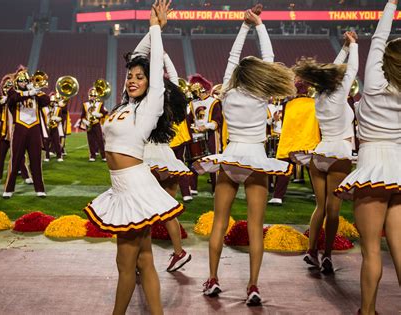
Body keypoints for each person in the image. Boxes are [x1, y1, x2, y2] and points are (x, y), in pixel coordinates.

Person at [83, 2, 182, 314]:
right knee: (144, 260)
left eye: (139, 77)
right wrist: (148, 29)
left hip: (136, 190)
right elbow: (138, 58)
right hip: (121, 189)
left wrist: (157, 29)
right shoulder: (124, 105)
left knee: (125, 266)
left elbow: (152, 70)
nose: (132, 80)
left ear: (149, 82)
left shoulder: (150, 106)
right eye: (129, 77)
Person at [193, 8, 296, 305]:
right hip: (255, 161)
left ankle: (212, 279)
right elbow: (270, 57)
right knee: (255, 227)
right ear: (259, 75)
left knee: (219, 224)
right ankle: (252, 286)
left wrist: (243, 27)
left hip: (231, 158)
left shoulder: (227, 91)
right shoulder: (261, 95)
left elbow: (230, 57)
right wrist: (259, 25)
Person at [335, 1, 400, 314]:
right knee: (400, 248)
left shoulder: (373, 83)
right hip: (399, 169)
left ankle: (368, 310)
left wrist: (390, 4)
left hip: (372, 167)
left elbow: (378, 39)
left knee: (372, 250)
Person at [293, 31, 359, 273]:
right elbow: (351, 70)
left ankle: (312, 251)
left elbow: (332, 70)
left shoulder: (318, 96)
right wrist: (354, 46)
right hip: (338, 153)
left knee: (319, 207)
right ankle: (328, 255)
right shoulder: (340, 95)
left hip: (319, 155)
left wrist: (342, 48)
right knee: (333, 211)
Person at [132, 30, 192, 272]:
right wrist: (165, 57)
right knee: (167, 208)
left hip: (147, 155)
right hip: (167, 156)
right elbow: (176, 80)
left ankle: (139, 261)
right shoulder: (170, 97)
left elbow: (136, 56)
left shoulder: (147, 100)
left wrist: (154, 31)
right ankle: (179, 252)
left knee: (141, 211)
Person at [3, 67, 49, 198]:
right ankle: (9, 189)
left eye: (26, 81)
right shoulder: (13, 92)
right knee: (16, 159)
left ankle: (39, 189)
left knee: (36, 159)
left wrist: (37, 91)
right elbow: (12, 99)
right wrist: (29, 93)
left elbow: (46, 101)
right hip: (19, 128)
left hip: (34, 128)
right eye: (21, 81)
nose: (24, 83)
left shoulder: (34, 93)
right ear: (17, 82)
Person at [0, 74, 32, 185]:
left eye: (9, 85)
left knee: (19, 154)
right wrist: (4, 99)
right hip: (4, 130)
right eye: (5, 85)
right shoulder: (0, 98)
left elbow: (15, 99)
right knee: (1, 155)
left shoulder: (15, 96)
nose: (7, 88)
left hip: (15, 129)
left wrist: (9, 97)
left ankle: (26, 176)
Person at [80, 87, 107, 162]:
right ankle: (92, 155)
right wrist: (86, 122)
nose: (93, 97)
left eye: (94, 96)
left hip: (96, 123)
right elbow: (82, 116)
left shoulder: (100, 104)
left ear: (96, 96)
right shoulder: (85, 104)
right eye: (92, 95)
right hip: (89, 125)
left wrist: (98, 115)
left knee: (100, 140)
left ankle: (103, 156)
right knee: (90, 140)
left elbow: (104, 113)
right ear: (89, 96)